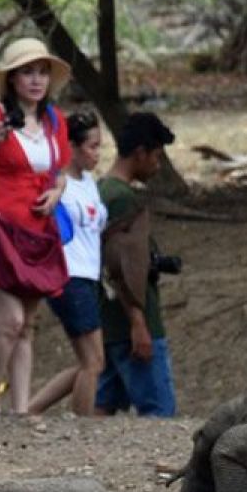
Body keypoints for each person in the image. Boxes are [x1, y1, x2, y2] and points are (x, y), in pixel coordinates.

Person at [0, 38, 72, 414]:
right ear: (11, 79)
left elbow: (60, 172)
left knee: (29, 324)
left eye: (42, 72)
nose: (36, 80)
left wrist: (58, 191)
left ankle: (21, 411)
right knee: (10, 320)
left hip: (36, 230)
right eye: (27, 72)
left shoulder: (55, 121)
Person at [94, 113, 179, 418]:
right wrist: (139, 324)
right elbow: (122, 267)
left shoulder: (101, 191)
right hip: (132, 324)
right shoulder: (120, 198)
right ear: (140, 153)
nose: (157, 165)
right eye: (156, 156)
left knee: (102, 405)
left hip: (109, 322)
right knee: (160, 412)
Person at [29, 111, 109, 416]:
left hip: (89, 275)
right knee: (93, 361)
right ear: (72, 147)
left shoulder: (89, 182)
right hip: (68, 275)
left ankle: (28, 409)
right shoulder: (59, 186)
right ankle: (82, 425)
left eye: (100, 146)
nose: (97, 154)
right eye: (92, 146)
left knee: (88, 361)